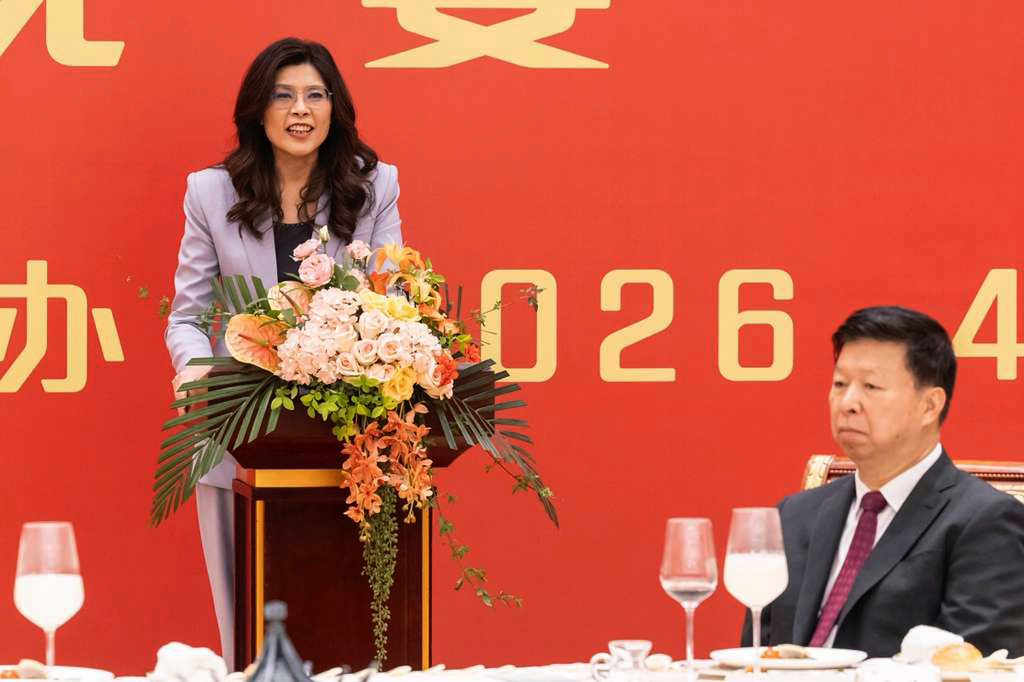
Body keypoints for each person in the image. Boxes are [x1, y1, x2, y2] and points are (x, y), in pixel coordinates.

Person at [164, 37, 402, 669]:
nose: (301, 110)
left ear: (335, 109)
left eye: (316, 95)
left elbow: (391, 295)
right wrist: (194, 369)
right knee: (244, 630)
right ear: (258, 112)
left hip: (344, 439)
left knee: (348, 628)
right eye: (284, 95)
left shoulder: (373, 187)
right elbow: (187, 317)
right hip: (238, 433)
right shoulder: (211, 194)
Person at [742, 306, 1024, 658]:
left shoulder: (984, 521)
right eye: (840, 384)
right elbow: (753, 656)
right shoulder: (795, 514)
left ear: (929, 406)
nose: (847, 403)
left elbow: (972, 666)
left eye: (871, 386)